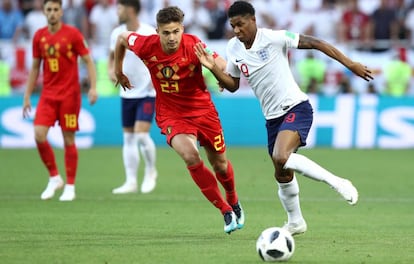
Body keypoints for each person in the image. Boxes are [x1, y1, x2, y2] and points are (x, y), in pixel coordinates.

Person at [195, 0, 374, 236]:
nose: (237, 30)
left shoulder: (273, 37)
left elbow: (316, 42)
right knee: (281, 172)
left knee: (282, 156)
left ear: (253, 20)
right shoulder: (233, 48)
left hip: (296, 107)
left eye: (240, 25)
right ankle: (296, 222)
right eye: (233, 26)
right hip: (272, 119)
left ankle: (338, 182)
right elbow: (233, 85)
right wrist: (212, 68)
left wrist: (350, 64)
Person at [114, 6, 244, 234]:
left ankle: (233, 200)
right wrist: (118, 70)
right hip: (171, 113)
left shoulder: (194, 45)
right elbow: (122, 38)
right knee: (190, 155)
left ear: (182, 29)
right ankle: (224, 210)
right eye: (166, 33)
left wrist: (221, 75)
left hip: (203, 111)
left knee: (220, 166)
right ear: (157, 32)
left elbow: (221, 63)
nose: (172, 37)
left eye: (175, 31)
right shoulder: (145, 45)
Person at [22, 0, 98, 201]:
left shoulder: (73, 34)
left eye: (56, 9)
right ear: (44, 12)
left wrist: (93, 87)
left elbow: (89, 60)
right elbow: (35, 67)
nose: (53, 13)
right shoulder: (39, 36)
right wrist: (27, 95)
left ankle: (70, 186)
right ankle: (55, 177)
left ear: (61, 12)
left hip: (69, 96)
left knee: (68, 139)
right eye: (49, 9)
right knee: (39, 134)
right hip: (48, 95)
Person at [108, 0, 158, 194]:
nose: (117, 11)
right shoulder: (116, 33)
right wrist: (112, 72)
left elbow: (158, 57)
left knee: (141, 134)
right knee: (128, 138)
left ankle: (151, 171)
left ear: (130, 9)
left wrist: (156, 80)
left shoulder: (147, 32)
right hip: (127, 92)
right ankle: (130, 181)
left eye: (120, 7)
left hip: (147, 91)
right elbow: (112, 57)